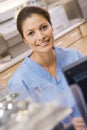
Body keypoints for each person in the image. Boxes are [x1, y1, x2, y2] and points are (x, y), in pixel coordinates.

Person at [8, 6, 87, 130]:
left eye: (44, 27)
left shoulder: (74, 56)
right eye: (31, 33)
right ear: (25, 40)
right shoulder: (19, 82)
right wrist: (66, 127)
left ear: (52, 27)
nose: (40, 37)